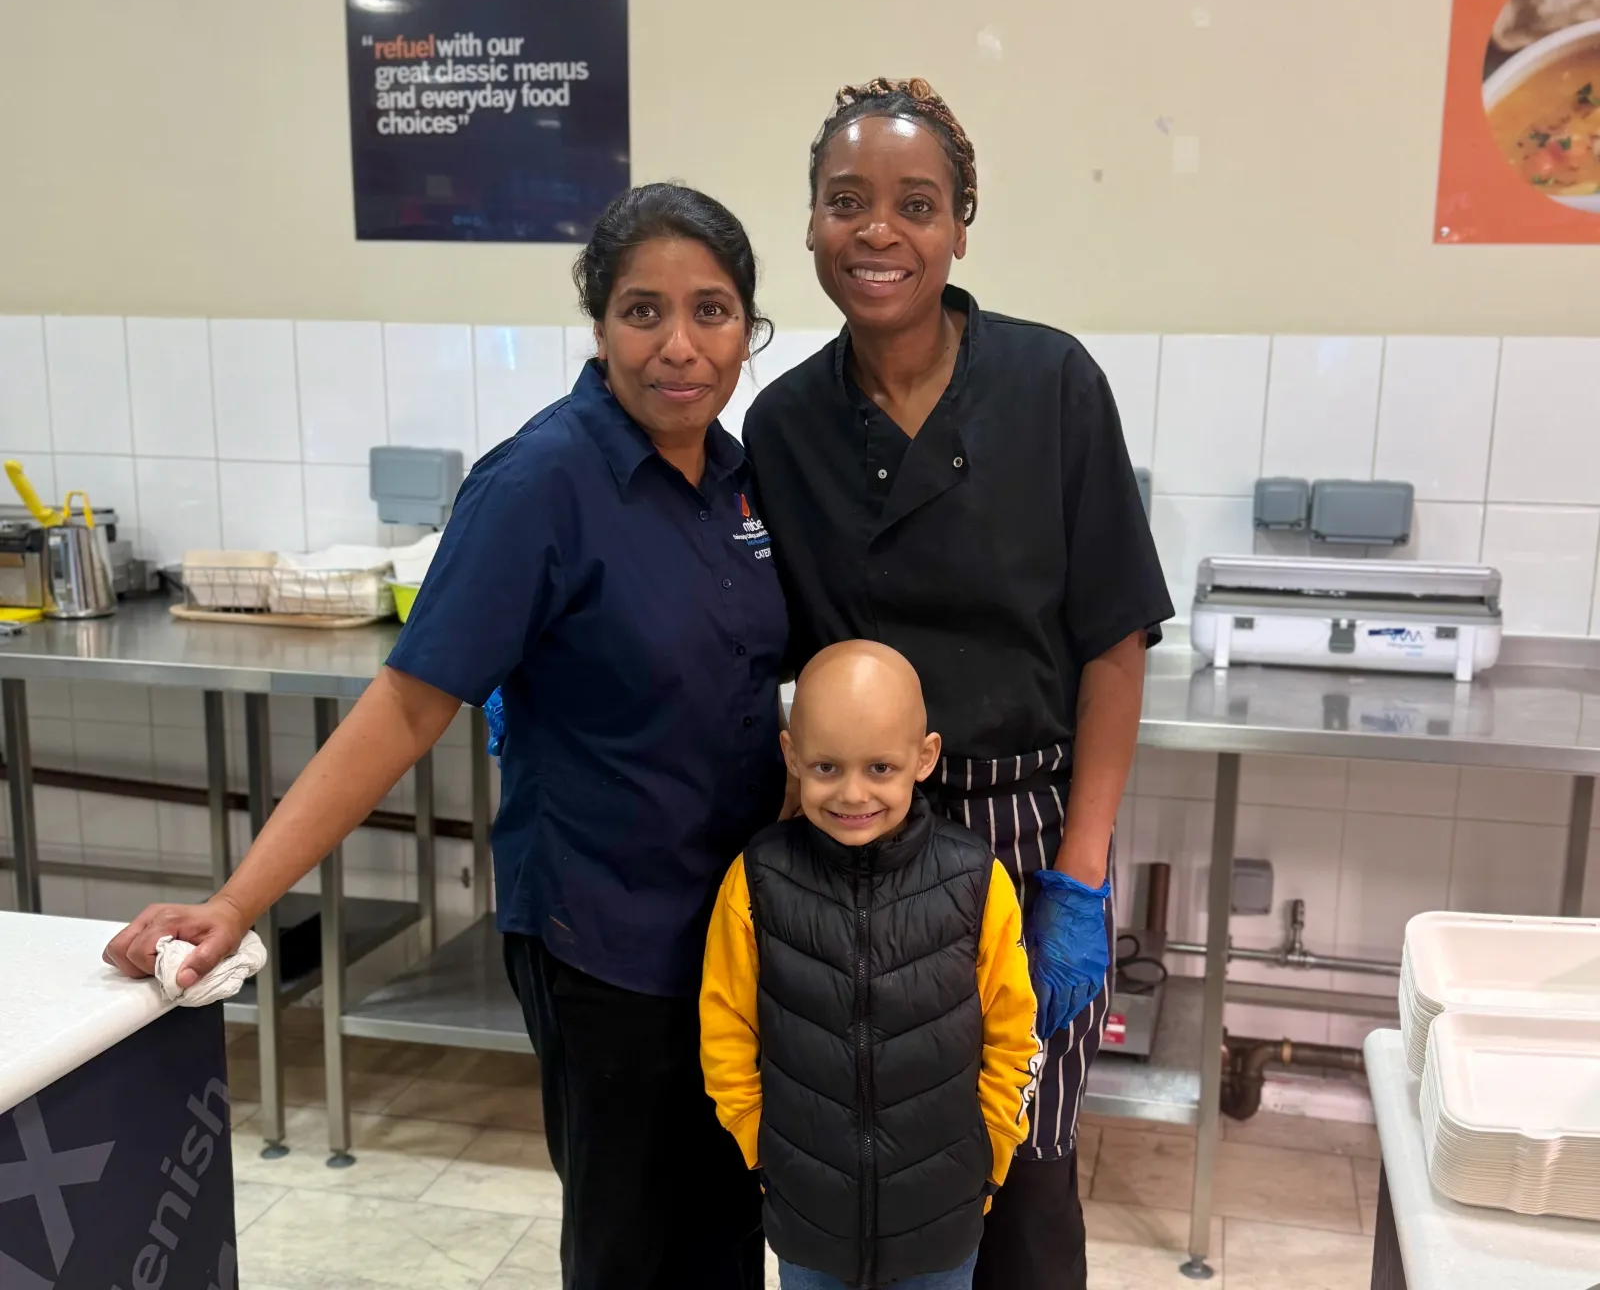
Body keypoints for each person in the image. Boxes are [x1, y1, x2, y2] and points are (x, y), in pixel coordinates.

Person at [104, 183, 788, 1290]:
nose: (680, 345)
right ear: (598, 322)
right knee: (632, 1244)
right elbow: (406, 708)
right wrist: (239, 900)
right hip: (603, 934)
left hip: (735, 933)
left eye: (711, 311)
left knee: (720, 1228)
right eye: (642, 310)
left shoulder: (735, 478)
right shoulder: (540, 484)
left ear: (746, 329)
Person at [742, 79, 1174, 1290]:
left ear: (959, 227)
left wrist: (1079, 878)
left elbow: (1112, 644)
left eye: (914, 204)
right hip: (848, 838)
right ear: (813, 225)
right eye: (847, 203)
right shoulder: (783, 423)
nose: (878, 230)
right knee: (859, 1163)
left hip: (1021, 826)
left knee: (1022, 1165)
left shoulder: (1049, 385)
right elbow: (739, 619)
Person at [700, 641, 1040, 1290]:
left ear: (925, 758)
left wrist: (989, 1157)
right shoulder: (757, 880)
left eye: (880, 767)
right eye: (826, 767)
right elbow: (725, 1030)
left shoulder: (976, 881)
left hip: (942, 1221)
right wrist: (761, 1147)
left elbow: (1015, 1035)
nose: (853, 793)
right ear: (790, 756)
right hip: (807, 1220)